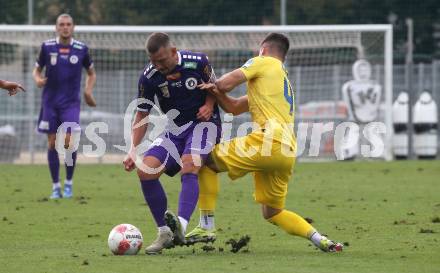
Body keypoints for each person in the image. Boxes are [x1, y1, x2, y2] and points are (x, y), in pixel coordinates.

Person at [188, 33, 343, 252]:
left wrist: (204, 84)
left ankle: (206, 226)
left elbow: (225, 83)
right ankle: (321, 240)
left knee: (203, 161)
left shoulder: (262, 62)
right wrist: (217, 92)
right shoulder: (277, 82)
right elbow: (232, 107)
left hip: (267, 141)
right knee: (272, 212)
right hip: (287, 151)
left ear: (263, 49)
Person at [122, 32, 221, 255]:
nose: (159, 65)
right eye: (154, 61)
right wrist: (132, 150)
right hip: (175, 129)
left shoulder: (198, 63)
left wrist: (209, 104)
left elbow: (216, 86)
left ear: (174, 51)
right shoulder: (149, 77)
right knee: (145, 171)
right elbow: (141, 115)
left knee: (189, 163)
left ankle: (181, 228)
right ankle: (165, 231)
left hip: (204, 124)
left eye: (163, 60)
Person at [32, 14, 97, 199]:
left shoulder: (81, 49)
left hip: (70, 103)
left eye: (68, 24)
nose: (65, 27)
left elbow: (91, 73)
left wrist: (88, 91)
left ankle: (68, 183)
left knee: (69, 142)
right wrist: (37, 78)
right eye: (62, 24)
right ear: (56, 27)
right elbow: (36, 69)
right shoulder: (47, 46)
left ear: (73, 27)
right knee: (52, 143)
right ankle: (55, 186)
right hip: (50, 102)